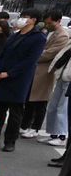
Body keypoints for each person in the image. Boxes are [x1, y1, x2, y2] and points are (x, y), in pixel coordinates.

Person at [0, 8, 47, 152]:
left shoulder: (38, 38)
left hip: (19, 80)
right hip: (1, 77)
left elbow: (30, 61)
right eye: (22, 16)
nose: (22, 19)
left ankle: (10, 141)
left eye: (26, 17)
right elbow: (1, 55)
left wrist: (8, 73)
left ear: (34, 20)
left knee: (15, 113)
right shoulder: (14, 36)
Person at [21, 10, 70, 140]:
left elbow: (50, 53)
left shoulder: (62, 35)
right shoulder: (48, 32)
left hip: (46, 71)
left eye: (50, 22)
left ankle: (36, 128)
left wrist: (33, 55)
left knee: (41, 102)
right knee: (32, 100)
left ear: (58, 21)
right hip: (38, 70)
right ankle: (27, 126)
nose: (47, 25)